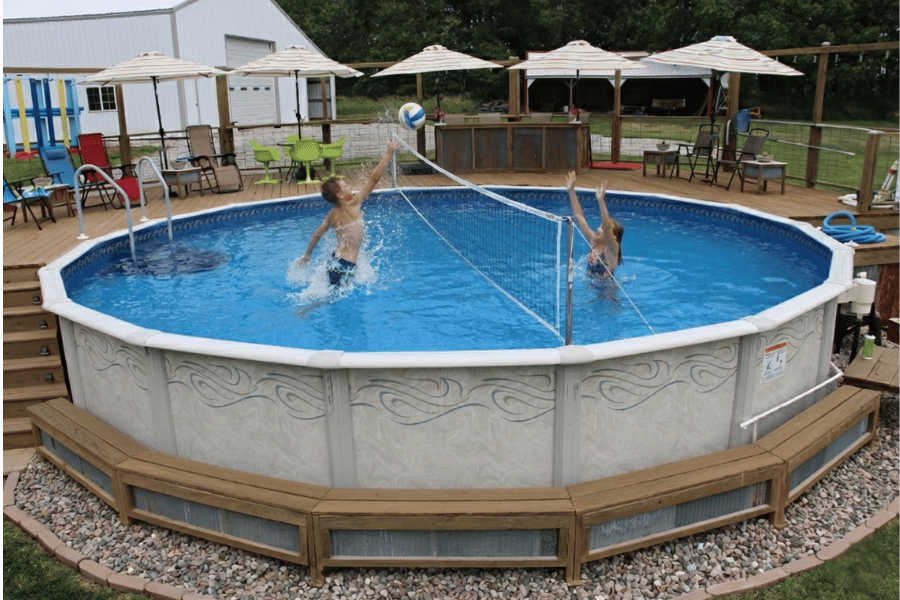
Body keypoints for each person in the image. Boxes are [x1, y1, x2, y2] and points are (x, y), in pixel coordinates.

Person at [295, 139, 401, 287]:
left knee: (330, 292)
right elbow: (373, 179)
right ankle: (305, 310)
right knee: (331, 297)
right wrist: (388, 154)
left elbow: (317, 235)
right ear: (340, 195)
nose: (349, 186)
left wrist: (307, 255)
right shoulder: (353, 204)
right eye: (345, 185)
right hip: (346, 265)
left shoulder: (332, 215)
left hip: (335, 261)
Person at [565, 171, 623, 279]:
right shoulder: (594, 241)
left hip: (608, 293)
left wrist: (601, 201)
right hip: (592, 289)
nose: (598, 229)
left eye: (602, 228)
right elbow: (579, 216)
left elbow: (607, 227)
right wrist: (571, 191)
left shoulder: (612, 249)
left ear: (613, 235)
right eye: (600, 226)